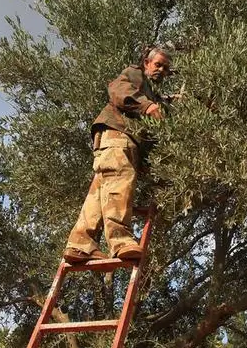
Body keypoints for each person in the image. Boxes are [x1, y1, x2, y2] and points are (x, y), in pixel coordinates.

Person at [62, 45, 173, 263]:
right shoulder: (135, 74)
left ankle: (80, 243)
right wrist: (147, 106)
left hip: (115, 140)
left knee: (101, 189)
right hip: (118, 135)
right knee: (120, 183)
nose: (161, 70)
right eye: (158, 64)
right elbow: (118, 89)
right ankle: (120, 240)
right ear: (147, 63)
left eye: (166, 68)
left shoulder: (152, 92)